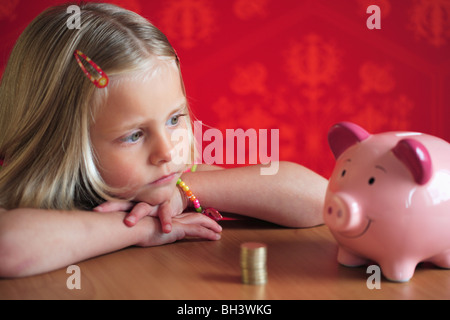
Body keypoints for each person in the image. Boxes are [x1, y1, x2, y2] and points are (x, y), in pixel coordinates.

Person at [0, 2, 327, 278]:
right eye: (134, 135)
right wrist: (141, 228)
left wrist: (183, 196)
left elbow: (320, 199)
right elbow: (9, 246)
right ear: (60, 143)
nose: (168, 150)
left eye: (174, 119)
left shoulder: (174, 181)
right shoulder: (19, 202)